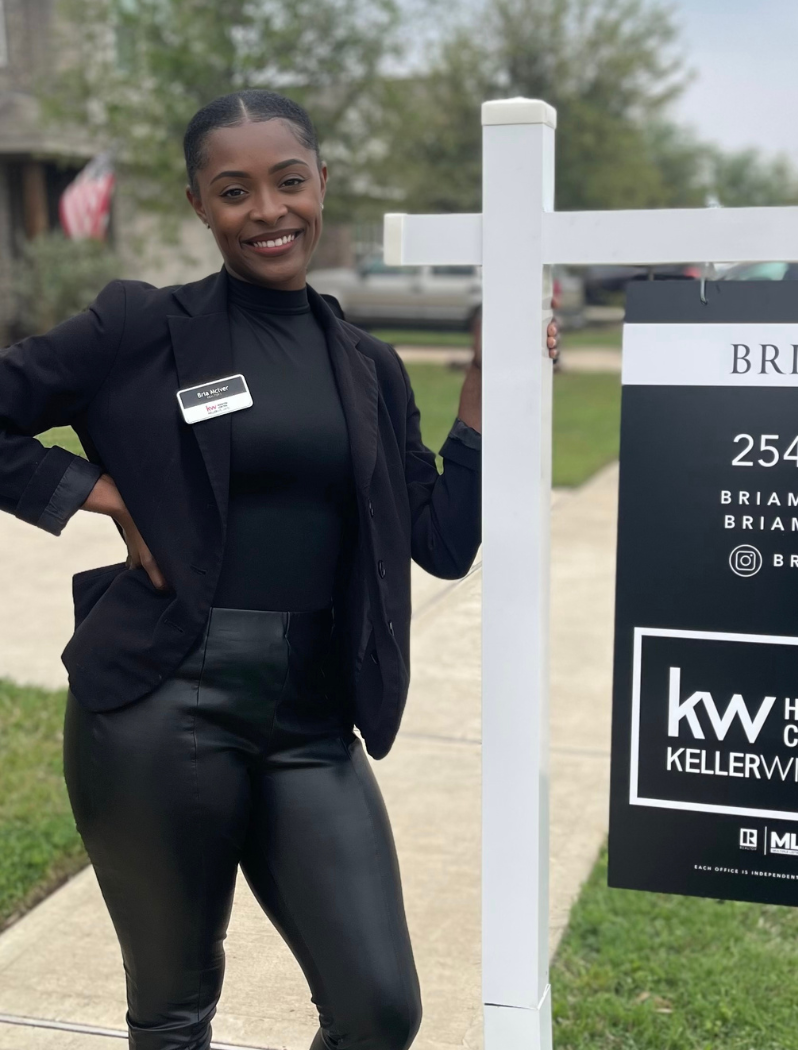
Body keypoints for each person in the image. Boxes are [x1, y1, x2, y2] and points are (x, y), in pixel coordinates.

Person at [0, 89, 558, 1050]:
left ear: (322, 184)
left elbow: (441, 539)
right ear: (198, 206)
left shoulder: (369, 363)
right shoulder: (142, 327)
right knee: (175, 1013)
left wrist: (483, 395)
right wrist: (101, 494)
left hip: (311, 716)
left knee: (380, 1009)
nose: (268, 211)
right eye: (234, 190)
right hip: (160, 702)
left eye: (289, 182)